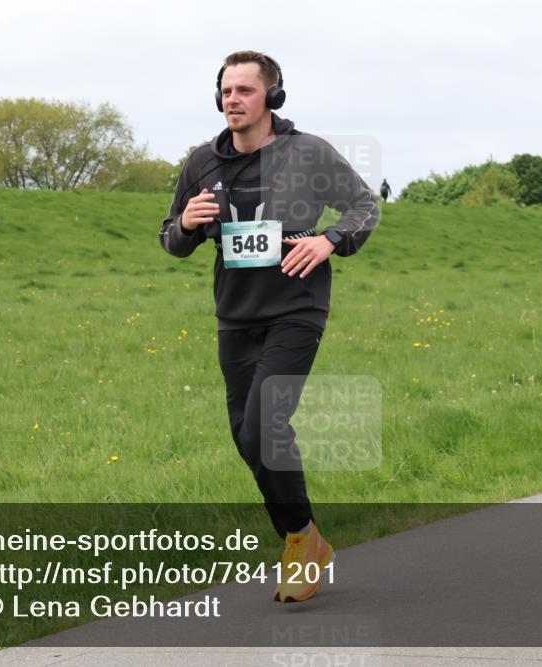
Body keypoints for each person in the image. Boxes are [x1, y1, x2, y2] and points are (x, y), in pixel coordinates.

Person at [158, 50, 379, 603]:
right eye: (226, 91)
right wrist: (184, 224)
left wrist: (329, 239)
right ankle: (304, 537)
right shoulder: (200, 163)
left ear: (272, 98)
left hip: (295, 311)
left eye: (245, 91)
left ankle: (299, 543)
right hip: (234, 317)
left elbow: (363, 206)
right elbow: (170, 238)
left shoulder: (308, 154)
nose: (233, 100)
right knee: (246, 437)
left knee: (263, 425)